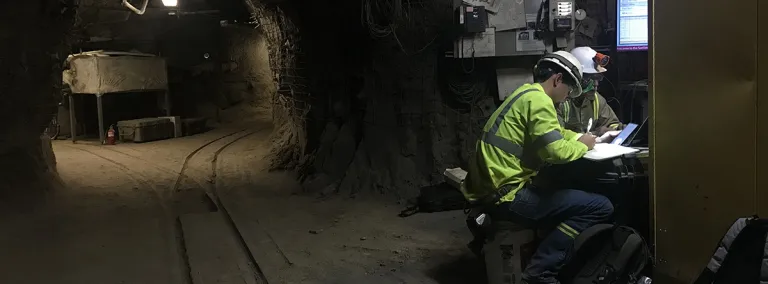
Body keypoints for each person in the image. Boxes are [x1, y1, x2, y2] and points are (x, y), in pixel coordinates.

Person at [463, 51, 614, 284]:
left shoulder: (526, 94)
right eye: (568, 90)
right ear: (557, 80)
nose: (566, 98)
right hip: (508, 196)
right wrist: (583, 147)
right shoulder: (542, 102)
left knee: (563, 195)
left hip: (493, 188)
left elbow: (556, 133)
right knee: (600, 206)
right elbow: (555, 152)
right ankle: (540, 271)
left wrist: (578, 138)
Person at [557, 47, 622, 136]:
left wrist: (617, 130)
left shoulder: (596, 100)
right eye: (589, 79)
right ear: (575, 77)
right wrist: (596, 134)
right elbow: (556, 137)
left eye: (597, 78)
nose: (596, 84)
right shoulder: (560, 100)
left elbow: (612, 124)